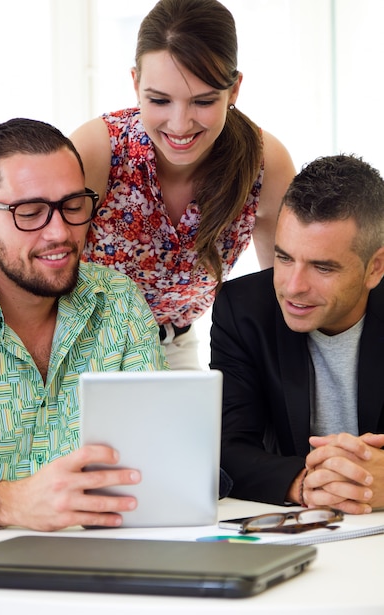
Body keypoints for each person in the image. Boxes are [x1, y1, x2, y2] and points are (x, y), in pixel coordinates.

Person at [0, 117, 167, 532]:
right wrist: (7, 502)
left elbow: (159, 459)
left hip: (107, 561)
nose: (60, 232)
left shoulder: (120, 304)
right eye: (30, 212)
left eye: (73, 207)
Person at [70, 0, 295, 369]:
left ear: (234, 89)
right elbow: (41, 268)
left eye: (203, 101)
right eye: (159, 100)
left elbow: (282, 293)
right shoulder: (98, 150)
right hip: (85, 346)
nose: (180, 124)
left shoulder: (264, 163)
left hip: (177, 345)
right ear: (136, 83)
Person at [211, 154, 384, 515]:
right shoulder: (242, 309)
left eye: (322, 267)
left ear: (375, 268)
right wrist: (304, 481)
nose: (293, 287)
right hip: (305, 523)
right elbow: (225, 447)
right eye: (285, 258)